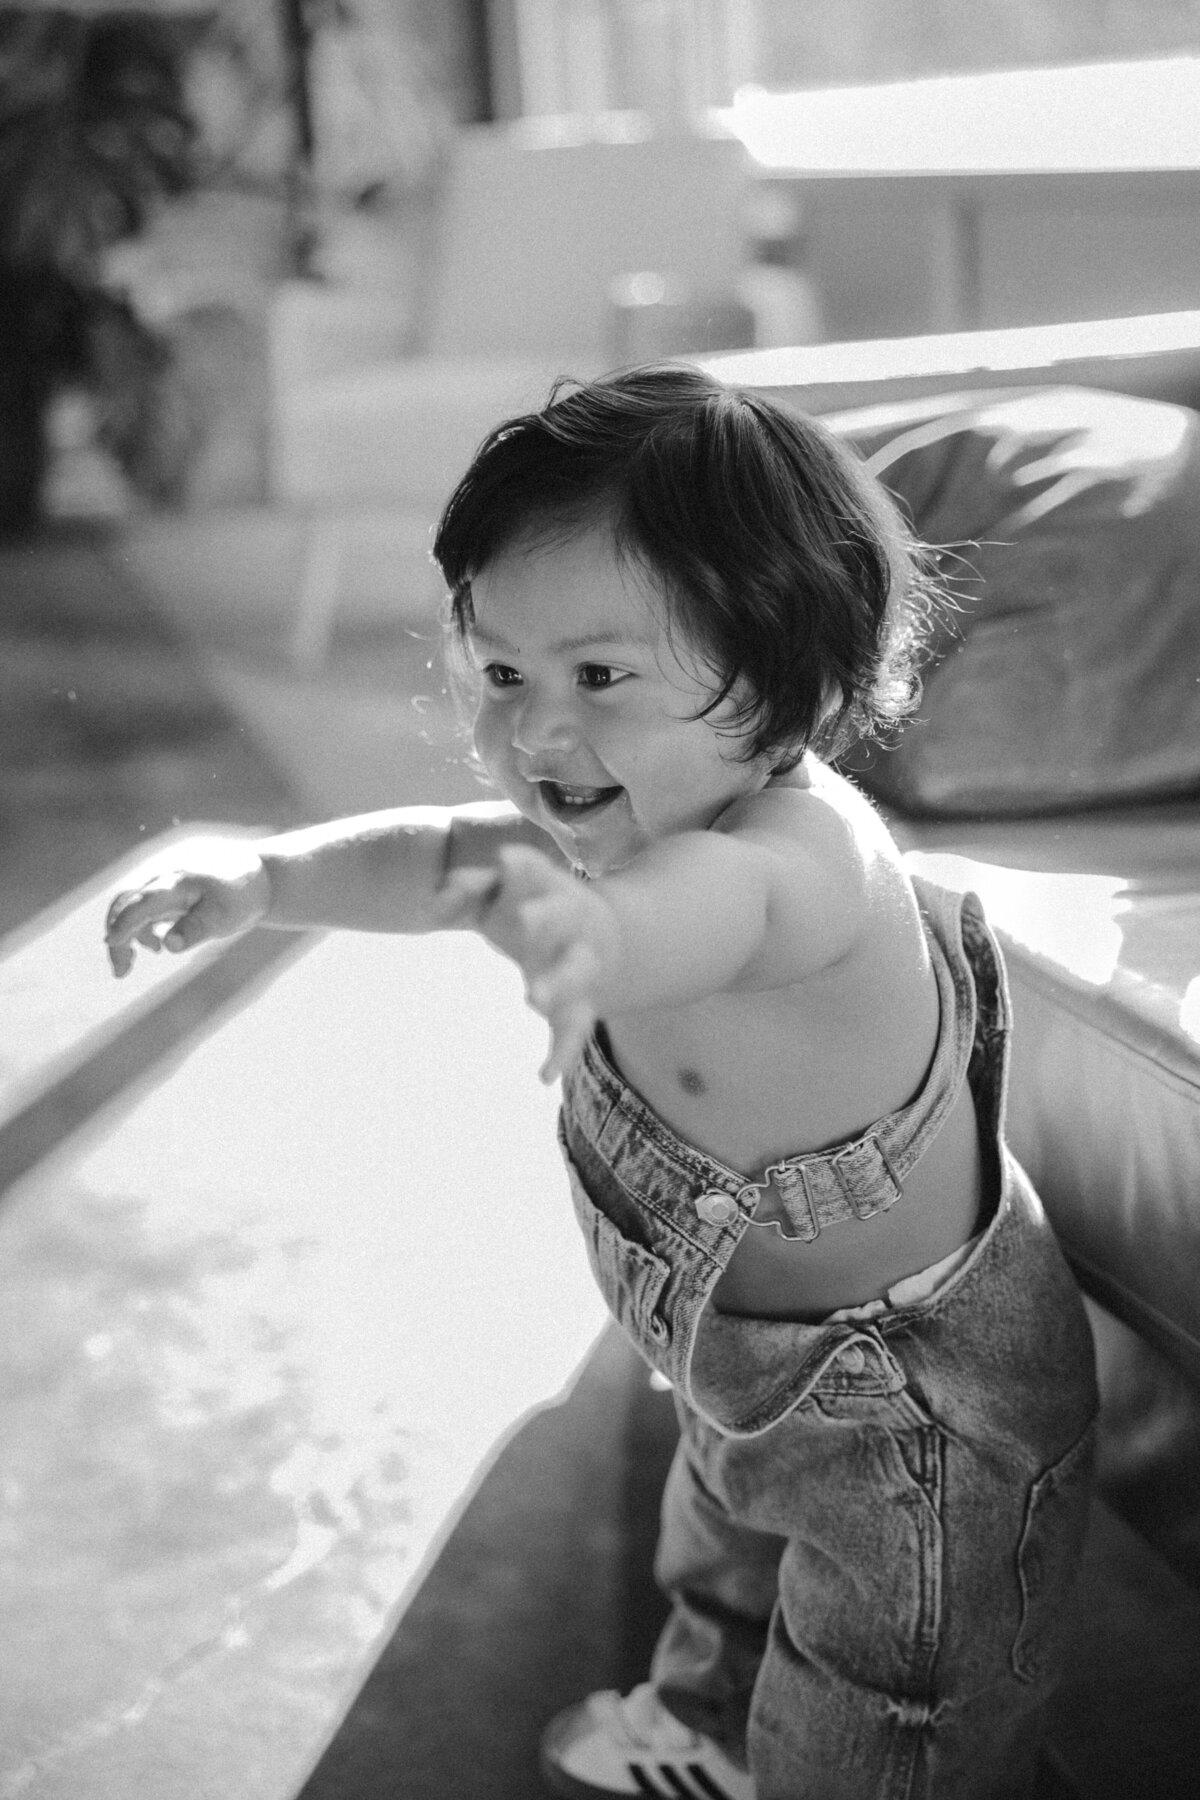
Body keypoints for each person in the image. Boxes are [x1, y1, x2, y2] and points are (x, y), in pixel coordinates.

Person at [104, 367, 1097, 1799]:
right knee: (729, 1567)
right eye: (503, 675)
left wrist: (603, 935)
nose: (535, 734)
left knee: (890, 1711)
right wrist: (263, 879)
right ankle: (707, 1726)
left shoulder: (801, 857)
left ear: (780, 672)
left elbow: (718, 909)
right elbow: (442, 858)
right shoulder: (627, 806)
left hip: (918, 1427)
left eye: (598, 678)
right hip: (747, 1365)